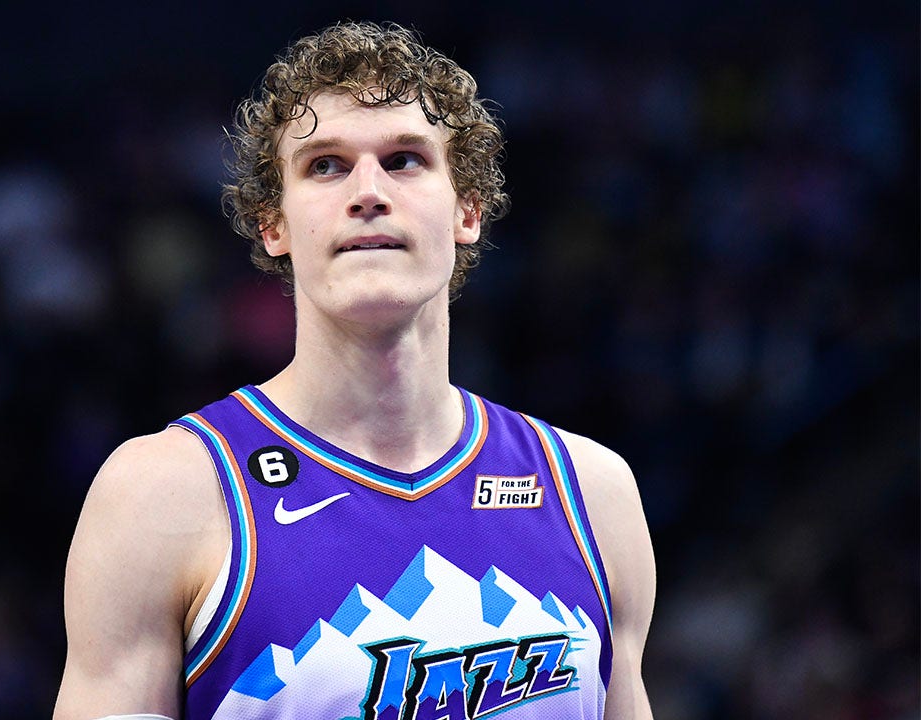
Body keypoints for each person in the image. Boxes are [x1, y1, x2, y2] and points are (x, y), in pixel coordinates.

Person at [53, 21, 655, 720]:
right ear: (273, 224)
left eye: (404, 160)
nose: (368, 191)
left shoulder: (593, 492)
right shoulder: (163, 494)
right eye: (326, 166)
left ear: (467, 210)